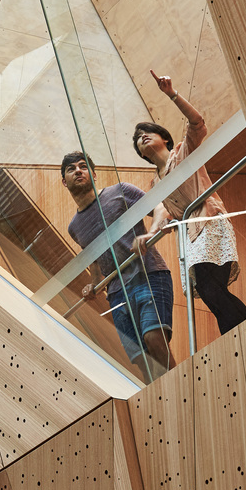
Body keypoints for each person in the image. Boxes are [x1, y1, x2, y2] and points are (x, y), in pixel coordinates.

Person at [132, 71, 246, 337]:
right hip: (190, 238)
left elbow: (197, 123)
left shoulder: (183, 151)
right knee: (211, 294)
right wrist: (151, 234)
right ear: (141, 153)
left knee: (212, 290)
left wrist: (171, 94)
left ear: (164, 137)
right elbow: (161, 212)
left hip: (208, 222)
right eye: (139, 138)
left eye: (148, 132)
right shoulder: (156, 184)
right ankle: (239, 337)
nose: (143, 136)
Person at [61, 150, 176, 381]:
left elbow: (160, 207)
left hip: (147, 274)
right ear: (65, 181)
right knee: (142, 361)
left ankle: (183, 392)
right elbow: (95, 258)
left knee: (154, 339)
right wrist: (93, 285)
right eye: (71, 169)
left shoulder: (120, 191)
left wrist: (151, 233)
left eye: (83, 166)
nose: (78, 171)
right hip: (116, 294)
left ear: (94, 174)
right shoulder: (74, 227)